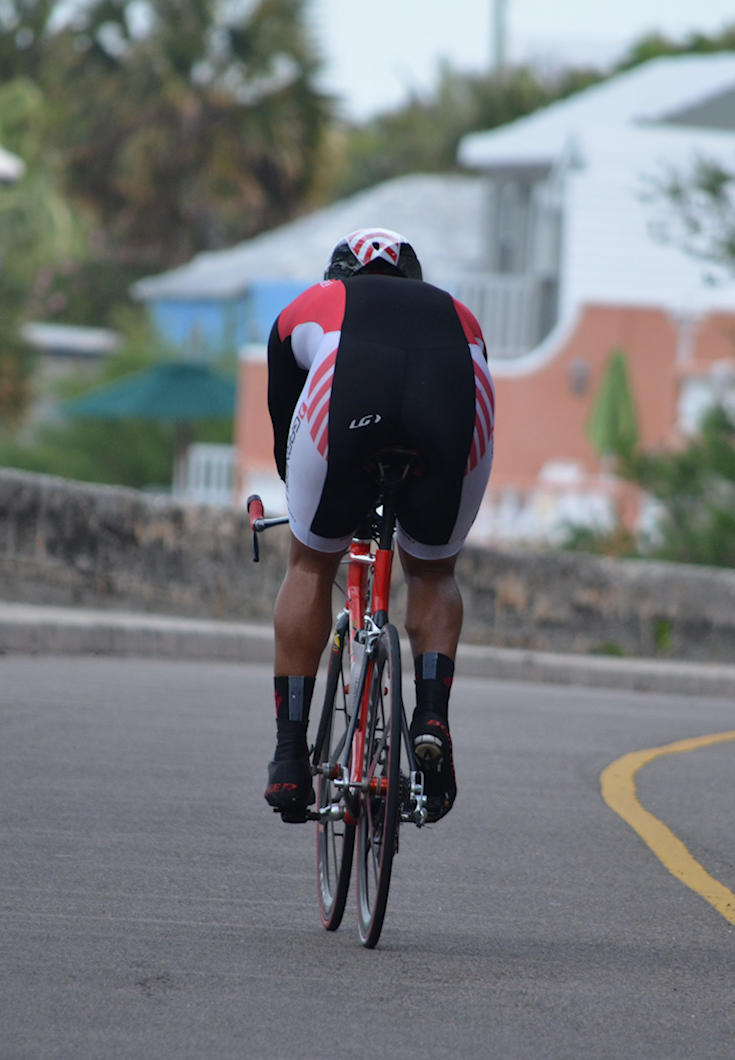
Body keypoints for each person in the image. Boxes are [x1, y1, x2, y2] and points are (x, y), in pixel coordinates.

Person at [262, 227, 494, 825]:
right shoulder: (458, 311)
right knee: (436, 571)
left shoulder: (316, 303)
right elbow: (478, 386)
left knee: (310, 563)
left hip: (350, 395)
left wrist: (317, 506)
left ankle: (289, 758)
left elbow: (287, 436)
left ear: (340, 274)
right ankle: (433, 712)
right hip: (453, 393)